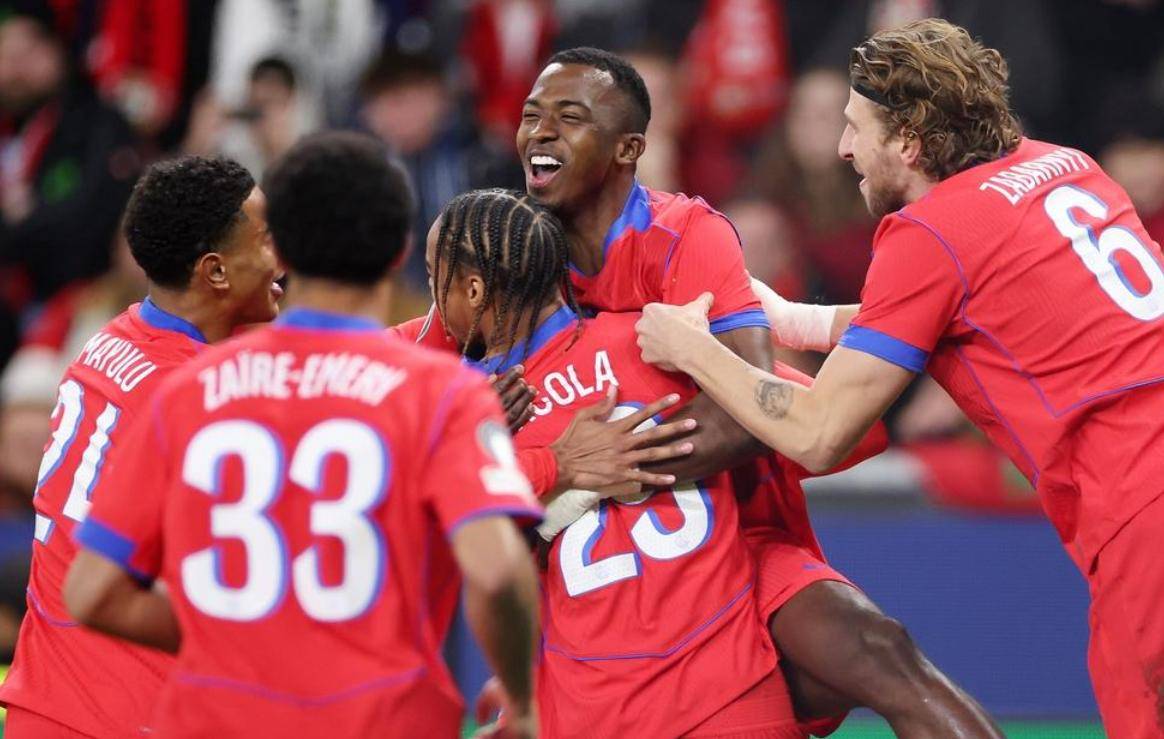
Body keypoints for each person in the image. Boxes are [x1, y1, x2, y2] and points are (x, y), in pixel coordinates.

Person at [634, 19, 1164, 739]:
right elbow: (968, 307)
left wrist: (693, 349)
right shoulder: (1065, 166)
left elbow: (820, 434)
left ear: (909, 141)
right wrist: (794, 320)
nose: (844, 147)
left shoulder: (930, 232)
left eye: (857, 126)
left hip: (1142, 515)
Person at [63, 131, 544, 738]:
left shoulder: (189, 389)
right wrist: (522, 701)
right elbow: (497, 573)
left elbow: (92, 593)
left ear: (283, 249)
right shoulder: (443, 393)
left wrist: (236, 638)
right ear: (399, 251)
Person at [429, 188, 799, 738]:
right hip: (737, 698)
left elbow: (437, 534)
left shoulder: (472, 415)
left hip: (596, 711)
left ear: (474, 289)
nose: (433, 310)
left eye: (433, 279)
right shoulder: (658, 341)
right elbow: (836, 428)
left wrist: (546, 470)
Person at [0, 155, 282, 738]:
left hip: (44, 702)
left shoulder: (114, 338)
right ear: (215, 271)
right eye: (265, 239)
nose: (281, 256)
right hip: (126, 714)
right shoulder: (201, 398)